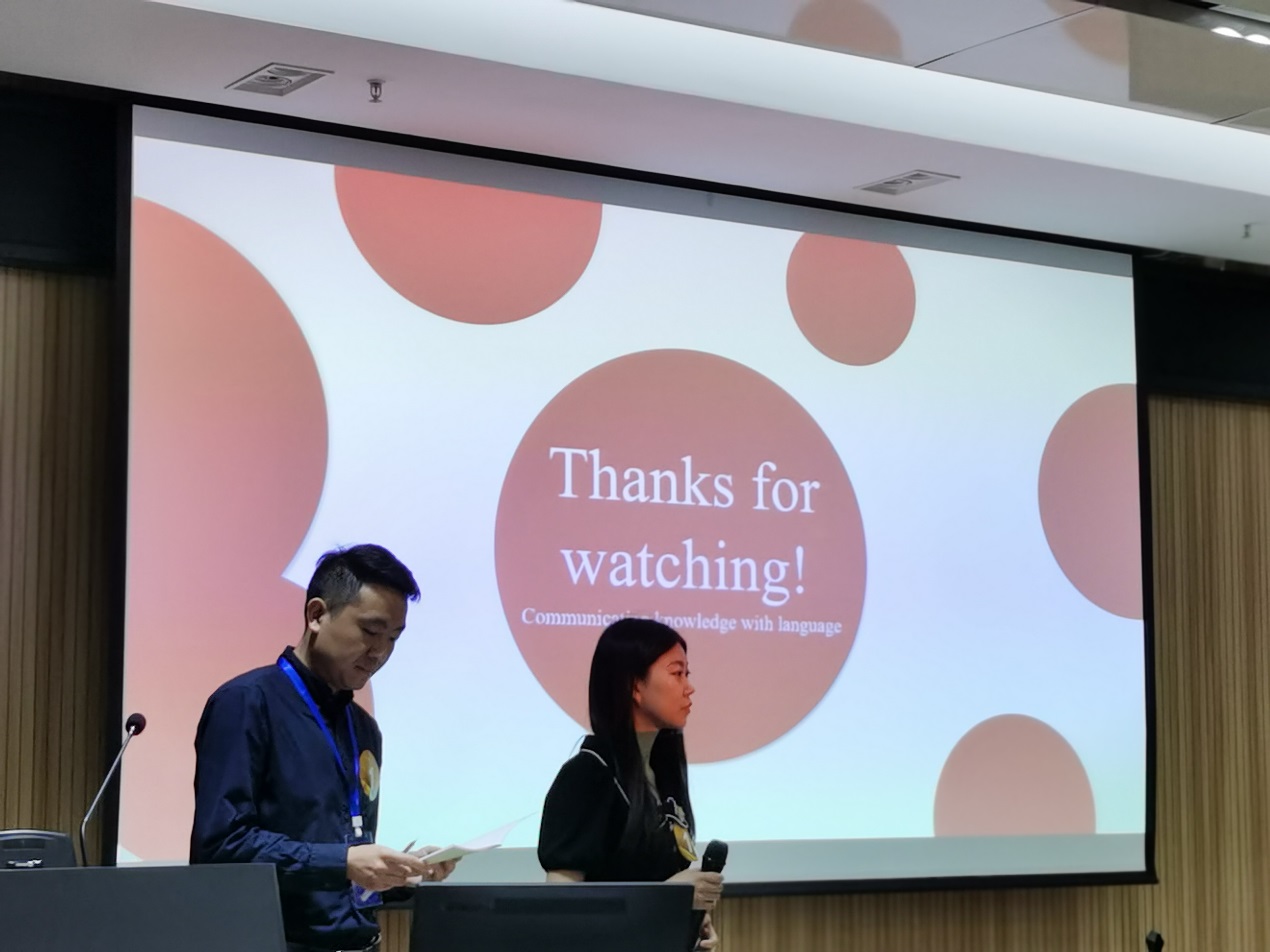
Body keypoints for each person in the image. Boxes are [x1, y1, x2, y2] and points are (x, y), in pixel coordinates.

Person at [191, 544, 455, 952]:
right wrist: (343, 862)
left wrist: (398, 874)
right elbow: (221, 848)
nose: (380, 653)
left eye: (393, 638)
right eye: (370, 632)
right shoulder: (247, 703)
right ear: (316, 615)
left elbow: (342, 873)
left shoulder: (363, 728)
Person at [537, 617, 723, 949]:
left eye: (688, 674)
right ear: (634, 687)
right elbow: (561, 913)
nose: (689, 687)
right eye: (677, 673)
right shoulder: (587, 776)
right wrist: (667, 897)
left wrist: (688, 921)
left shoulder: (660, 775)